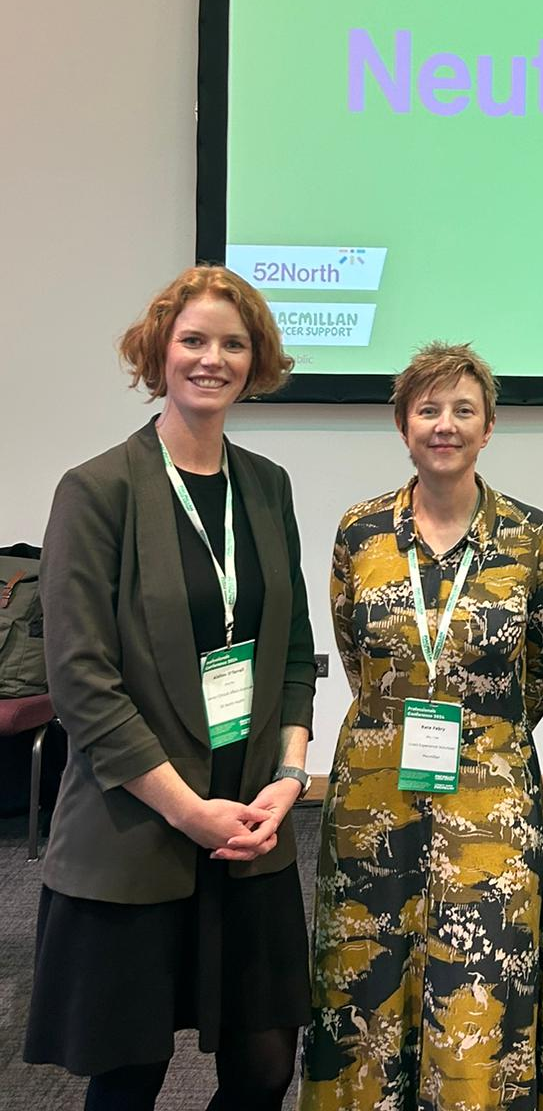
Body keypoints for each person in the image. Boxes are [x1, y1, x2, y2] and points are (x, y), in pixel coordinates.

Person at [24, 265, 318, 1110]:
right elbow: (81, 682)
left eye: (233, 343)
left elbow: (293, 651)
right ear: (160, 350)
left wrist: (289, 779)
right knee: (129, 1074)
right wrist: (188, 810)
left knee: (265, 1066)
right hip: (138, 824)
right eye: (194, 340)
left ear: (254, 360)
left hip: (251, 823)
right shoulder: (98, 490)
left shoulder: (267, 486)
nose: (212, 359)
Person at [300, 342, 543, 1111]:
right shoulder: (360, 533)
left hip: (490, 803)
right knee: (367, 985)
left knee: (480, 986)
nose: (444, 425)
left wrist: (485, 735)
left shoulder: (530, 537)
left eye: (463, 410)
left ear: (489, 428)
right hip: (373, 801)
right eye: (428, 409)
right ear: (403, 425)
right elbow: (359, 659)